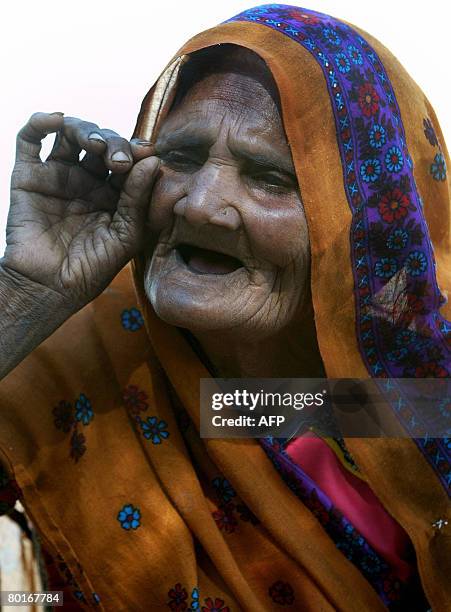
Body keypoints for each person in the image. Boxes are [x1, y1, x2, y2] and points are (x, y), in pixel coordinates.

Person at [0, 4, 449, 610]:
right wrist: (26, 291)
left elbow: (274, 409)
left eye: (268, 176)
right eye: (181, 157)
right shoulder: (79, 351)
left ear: (362, 226)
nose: (200, 205)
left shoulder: (419, 391)